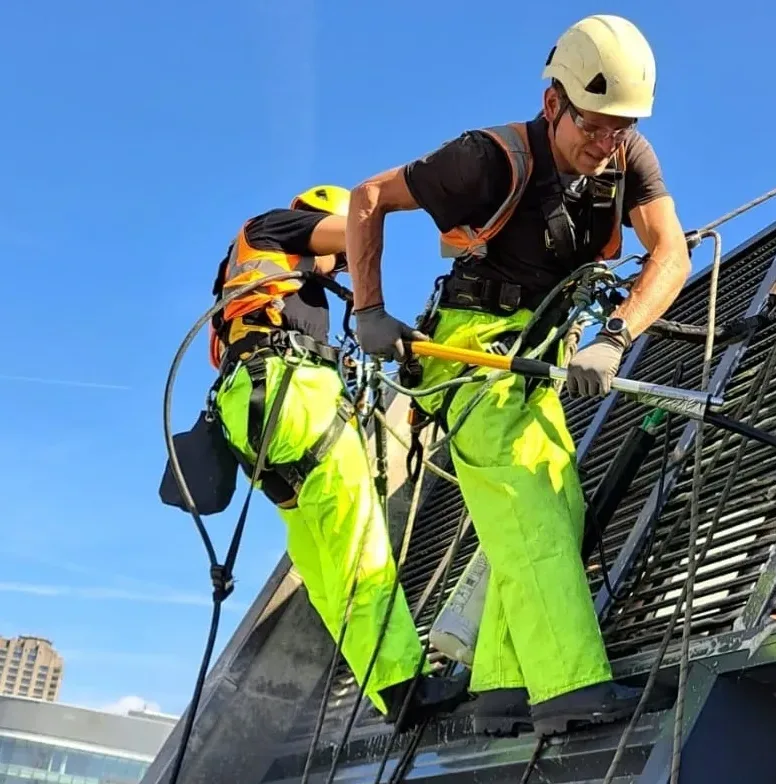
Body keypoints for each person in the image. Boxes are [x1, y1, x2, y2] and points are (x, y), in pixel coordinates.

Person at [345, 15, 691, 738]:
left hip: (543, 351)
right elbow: (369, 198)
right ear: (553, 103)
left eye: (618, 131)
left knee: (558, 507)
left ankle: (503, 685)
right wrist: (369, 311)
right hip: (471, 352)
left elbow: (672, 254)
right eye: (593, 127)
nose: (606, 146)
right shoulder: (487, 159)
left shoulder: (629, 154)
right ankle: (570, 687)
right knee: (530, 507)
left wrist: (617, 335)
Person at [207, 185, 469, 728]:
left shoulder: (265, 285)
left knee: (323, 563)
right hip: (291, 391)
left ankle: (389, 689)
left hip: (248, 411)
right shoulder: (276, 226)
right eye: (342, 258)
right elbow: (357, 228)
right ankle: (403, 683)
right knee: (360, 541)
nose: (346, 267)